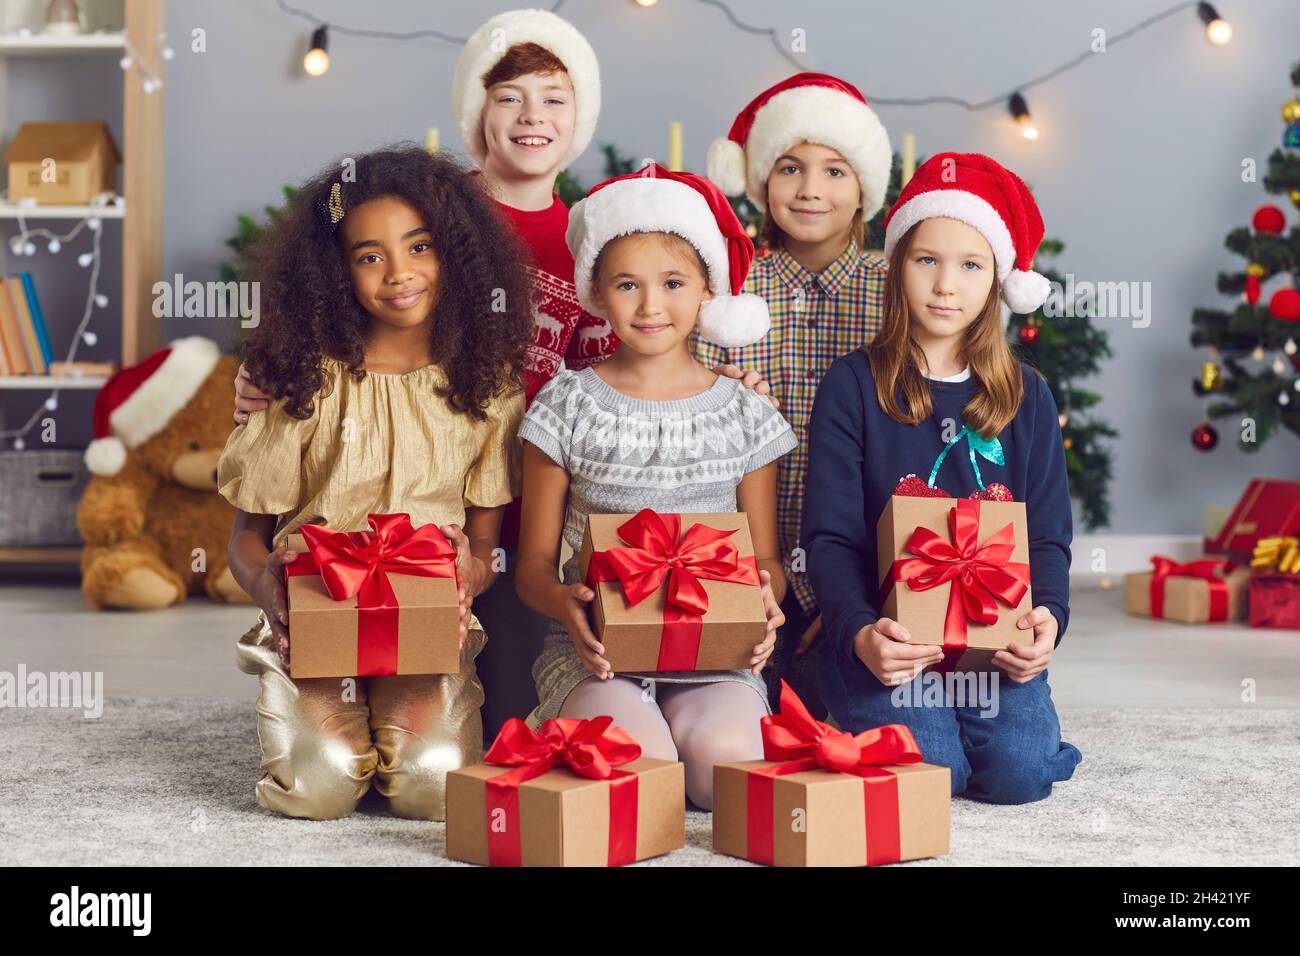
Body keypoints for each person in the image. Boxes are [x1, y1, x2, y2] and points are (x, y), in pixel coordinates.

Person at [216, 145, 532, 820]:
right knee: (319, 786)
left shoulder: (487, 385)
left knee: (436, 785)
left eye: (419, 247)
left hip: (424, 629)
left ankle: (396, 730)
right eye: (369, 256)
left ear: (456, 253)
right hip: (314, 615)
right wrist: (270, 588)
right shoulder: (298, 380)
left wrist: (459, 583)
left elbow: (484, 552)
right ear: (335, 272)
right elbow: (245, 542)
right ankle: (324, 729)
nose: (399, 274)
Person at [802, 152, 1082, 804]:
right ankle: (833, 688)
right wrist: (860, 632)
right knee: (935, 775)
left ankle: (1025, 739)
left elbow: (1047, 535)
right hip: (887, 641)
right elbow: (831, 538)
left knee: (1019, 774)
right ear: (898, 266)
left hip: (993, 649)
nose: (945, 284)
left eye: (970, 264)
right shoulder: (852, 386)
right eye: (926, 259)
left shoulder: (1027, 396)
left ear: (998, 280)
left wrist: (1049, 620)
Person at [514, 164, 795, 809]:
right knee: (639, 781)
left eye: (673, 283)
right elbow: (531, 568)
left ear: (705, 292)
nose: (649, 306)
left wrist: (765, 599)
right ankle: (588, 724)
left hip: (719, 657)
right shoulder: (566, 406)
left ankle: (695, 725)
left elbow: (767, 561)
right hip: (599, 657)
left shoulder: (744, 413)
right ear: (597, 294)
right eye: (626, 285)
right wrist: (568, 608)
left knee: (724, 773)